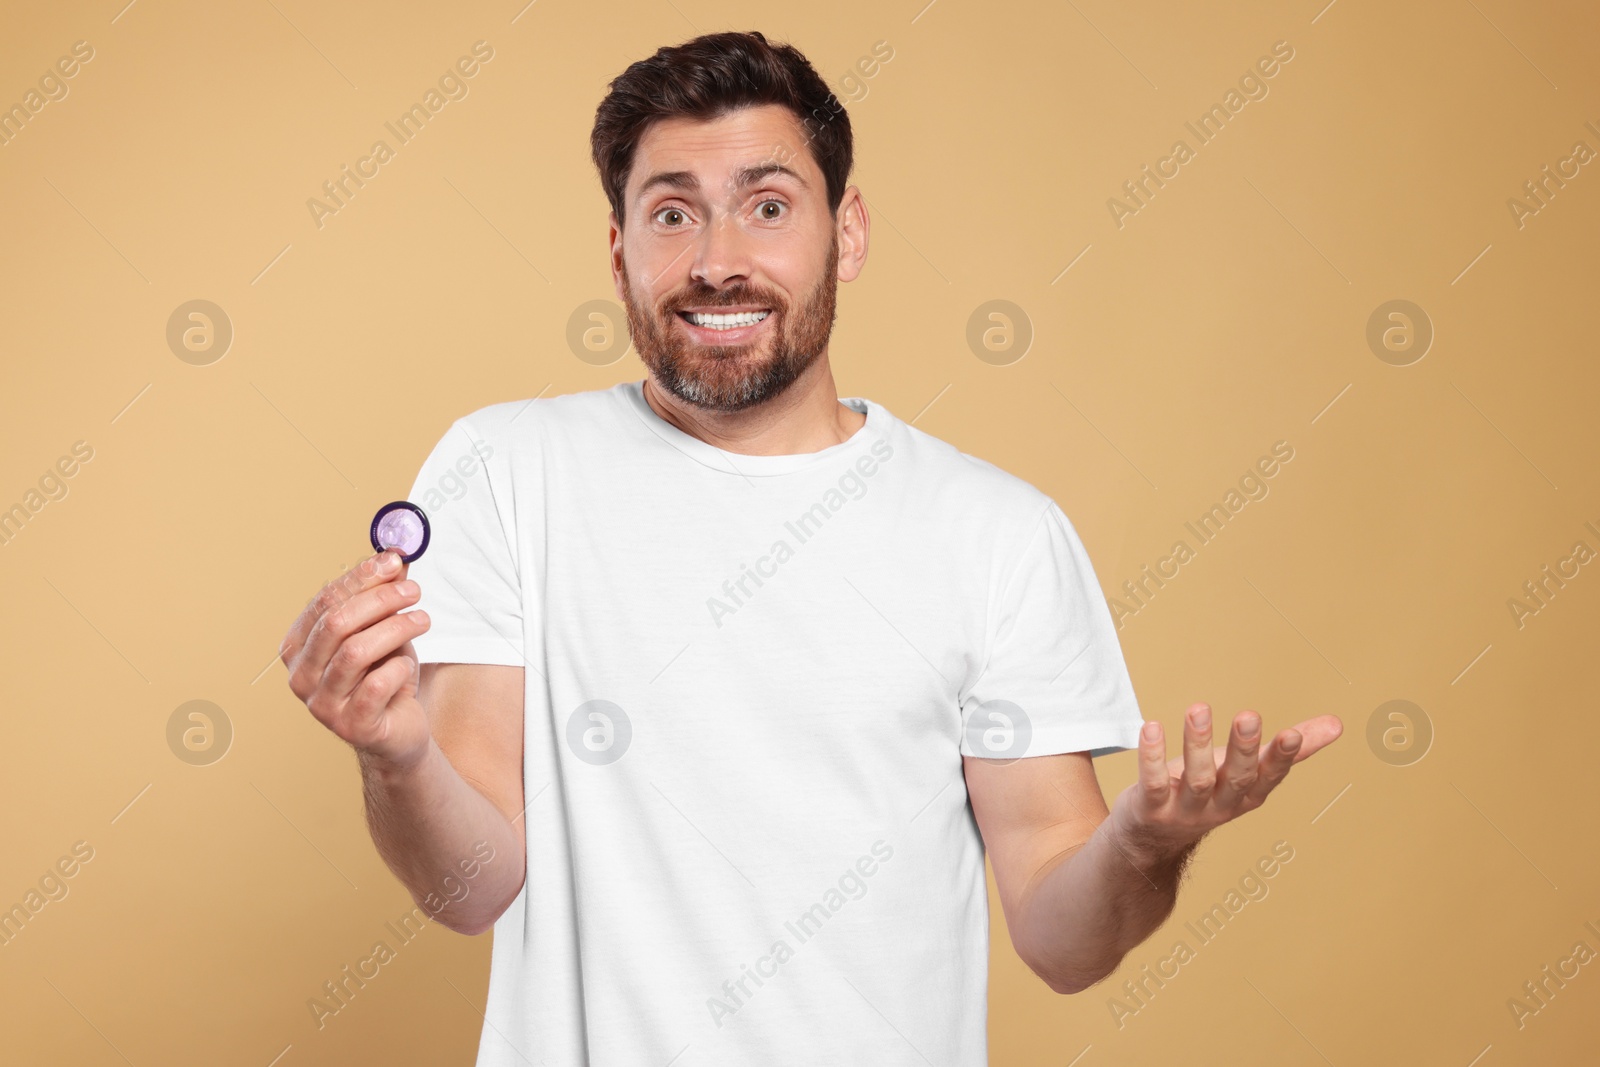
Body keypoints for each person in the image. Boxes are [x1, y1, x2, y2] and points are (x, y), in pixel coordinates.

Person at [278, 30, 1342, 1066]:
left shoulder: (996, 533)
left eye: (768, 206)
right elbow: (469, 885)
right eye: (671, 213)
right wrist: (395, 751)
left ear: (849, 232)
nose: (717, 261)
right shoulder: (504, 470)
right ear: (619, 253)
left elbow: (1065, 942)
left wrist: (1147, 843)